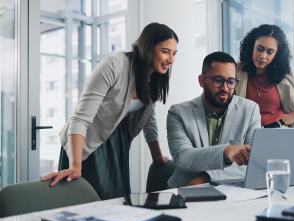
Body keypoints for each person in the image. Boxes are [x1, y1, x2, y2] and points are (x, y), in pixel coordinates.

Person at [40, 23, 178, 200]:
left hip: (117, 141)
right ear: (147, 48)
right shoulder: (115, 65)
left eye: (174, 53)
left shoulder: (153, 78)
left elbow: (148, 120)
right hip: (87, 142)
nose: (171, 60)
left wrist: (158, 158)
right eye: (165, 51)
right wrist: (75, 164)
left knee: (117, 201)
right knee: (96, 202)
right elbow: (80, 118)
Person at [166, 52, 261, 189]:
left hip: (234, 191)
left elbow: (254, 162)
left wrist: (207, 177)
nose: (225, 88)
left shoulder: (250, 110)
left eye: (231, 81)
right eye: (218, 80)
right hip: (185, 189)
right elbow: (183, 158)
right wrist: (226, 152)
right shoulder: (178, 112)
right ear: (202, 81)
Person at [235, 24, 294, 128]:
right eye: (260, 49)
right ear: (251, 46)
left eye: (270, 52)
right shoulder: (235, 70)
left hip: (280, 132)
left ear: (276, 54)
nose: (263, 56)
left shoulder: (286, 73)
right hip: (246, 135)